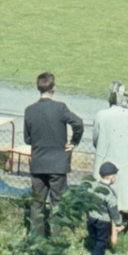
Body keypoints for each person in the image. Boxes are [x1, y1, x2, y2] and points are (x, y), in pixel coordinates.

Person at [23, 71, 84, 236]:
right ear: (53, 88)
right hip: (58, 164)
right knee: (58, 202)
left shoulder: (29, 110)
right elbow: (78, 123)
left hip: (38, 163)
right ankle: (57, 239)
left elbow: (27, 139)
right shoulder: (60, 108)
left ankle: (37, 239)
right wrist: (73, 142)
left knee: (37, 203)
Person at [91, 82, 128, 212]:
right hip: (125, 161)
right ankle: (117, 224)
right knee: (122, 197)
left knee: (102, 199)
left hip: (104, 160)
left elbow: (95, 139)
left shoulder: (102, 114)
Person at [87, 161, 125, 255]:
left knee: (94, 237)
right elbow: (114, 211)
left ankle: (94, 251)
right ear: (112, 178)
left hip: (91, 217)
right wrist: (118, 223)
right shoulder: (109, 193)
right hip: (103, 221)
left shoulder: (93, 186)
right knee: (101, 240)